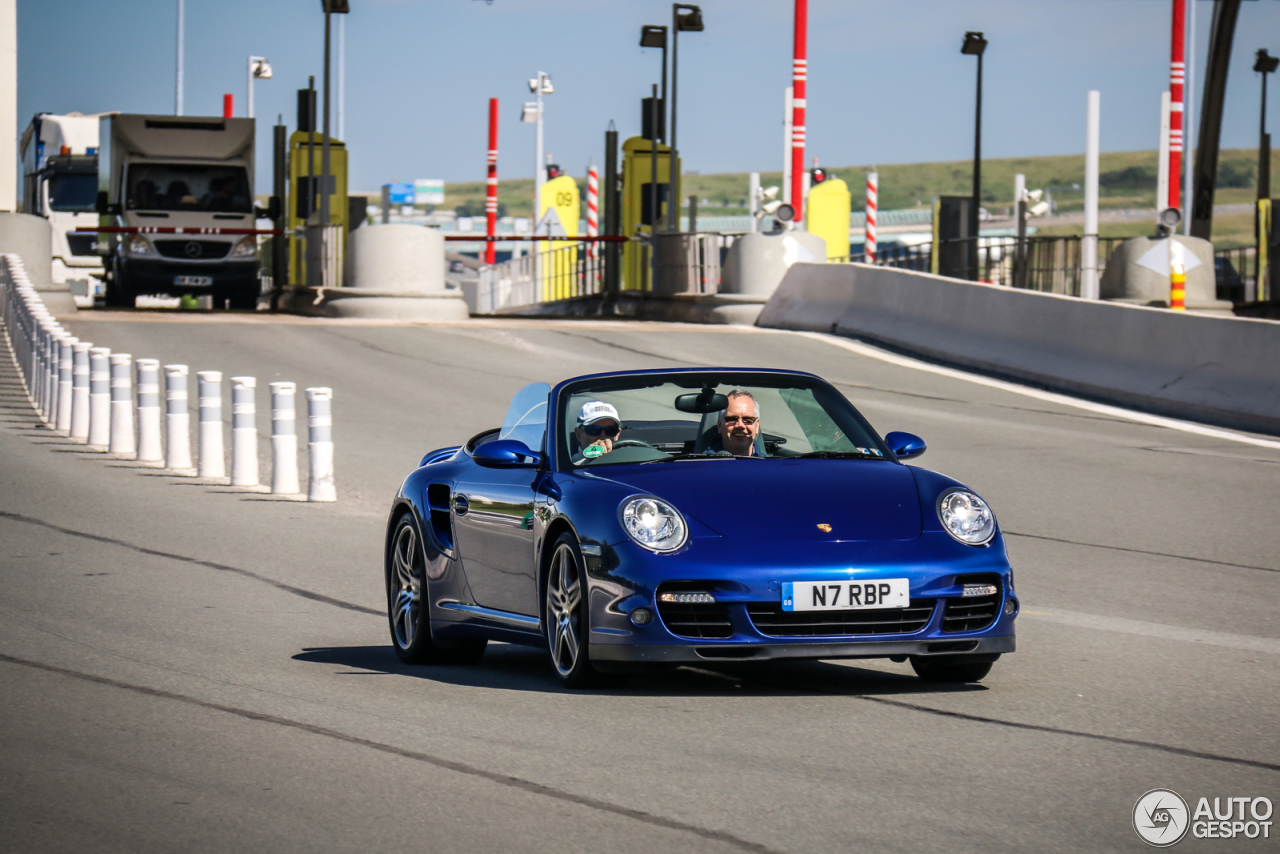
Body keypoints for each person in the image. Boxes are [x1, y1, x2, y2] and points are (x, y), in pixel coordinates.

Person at [708, 389, 763, 456]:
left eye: (748, 420)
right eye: (732, 419)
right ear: (719, 426)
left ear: (757, 426)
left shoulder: (771, 465)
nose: (740, 425)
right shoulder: (703, 464)